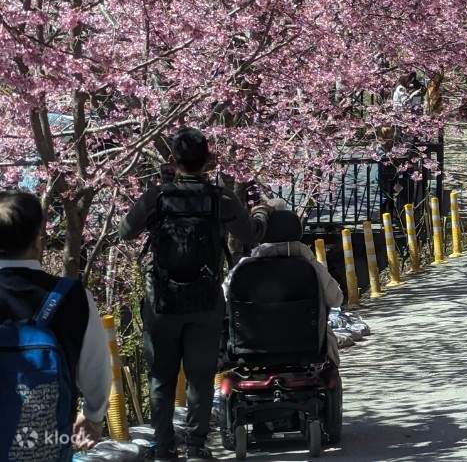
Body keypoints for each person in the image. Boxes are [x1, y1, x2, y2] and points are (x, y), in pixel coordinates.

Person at [119, 128, 265, 462]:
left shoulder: (157, 196)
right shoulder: (219, 198)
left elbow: (125, 231)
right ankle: (197, 446)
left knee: (161, 377)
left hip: (162, 300)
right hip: (205, 299)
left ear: (173, 160)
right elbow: (248, 235)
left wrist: (157, 193)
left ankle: (164, 448)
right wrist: (260, 214)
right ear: (208, 161)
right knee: (200, 376)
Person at [0, 191, 112, 459]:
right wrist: (93, 415)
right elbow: (96, 370)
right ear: (38, 238)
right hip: (44, 446)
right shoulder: (72, 296)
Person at [223, 203, 344, 364]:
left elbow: (224, 299)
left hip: (250, 348)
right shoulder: (312, 266)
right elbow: (336, 299)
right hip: (306, 347)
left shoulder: (242, 268)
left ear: (263, 233)